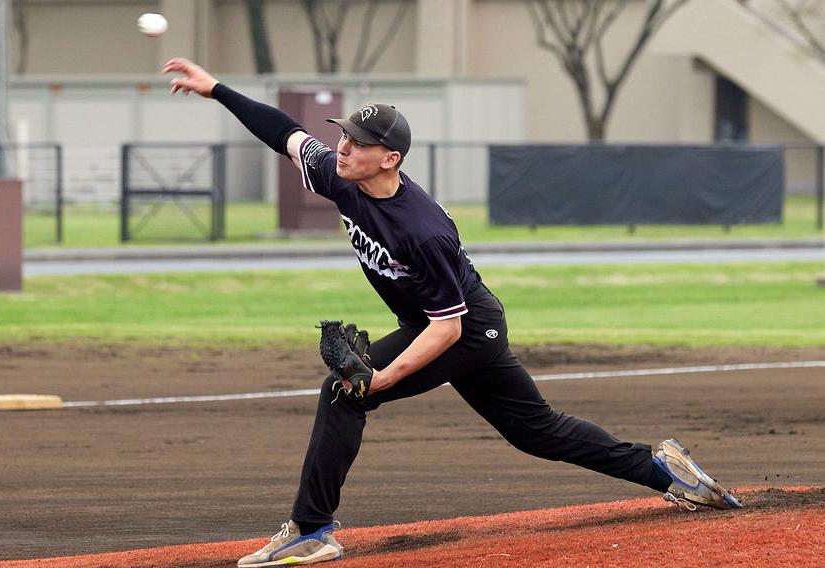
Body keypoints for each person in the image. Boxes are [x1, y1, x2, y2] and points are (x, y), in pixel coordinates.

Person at [163, 58, 742, 567]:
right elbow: (284, 133)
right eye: (343, 136)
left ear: (389, 158)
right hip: (440, 325)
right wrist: (215, 88)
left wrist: (381, 378)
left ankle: (312, 531)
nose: (342, 147)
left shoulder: (423, 229)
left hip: (466, 329)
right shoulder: (341, 178)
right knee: (536, 432)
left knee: (344, 393)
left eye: (358, 142)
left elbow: (449, 326)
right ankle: (664, 472)